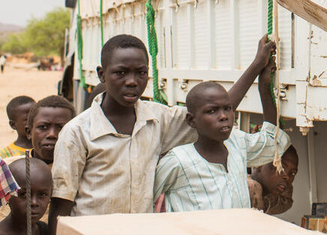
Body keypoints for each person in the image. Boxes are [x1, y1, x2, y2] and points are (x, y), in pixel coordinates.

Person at [49, 34, 277, 228]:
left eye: (140, 73)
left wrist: (257, 65)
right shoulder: (77, 133)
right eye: (120, 73)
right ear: (101, 74)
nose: (132, 81)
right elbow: (61, 205)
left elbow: (214, 110)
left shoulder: (158, 119)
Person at [153, 76, 289, 212]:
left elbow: (273, 143)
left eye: (227, 108)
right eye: (212, 111)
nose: (224, 116)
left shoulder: (237, 143)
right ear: (191, 120)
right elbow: (146, 199)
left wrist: (264, 87)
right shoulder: (178, 161)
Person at [0, 158, 51, 235]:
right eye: (24, 194)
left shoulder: (46, 231)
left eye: (42, 194)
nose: (34, 202)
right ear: (8, 195)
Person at [248, 146, 298, 215]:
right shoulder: (237, 188)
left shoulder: (282, 201)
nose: (287, 176)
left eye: (293, 173)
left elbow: (287, 198)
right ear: (259, 164)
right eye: (281, 167)